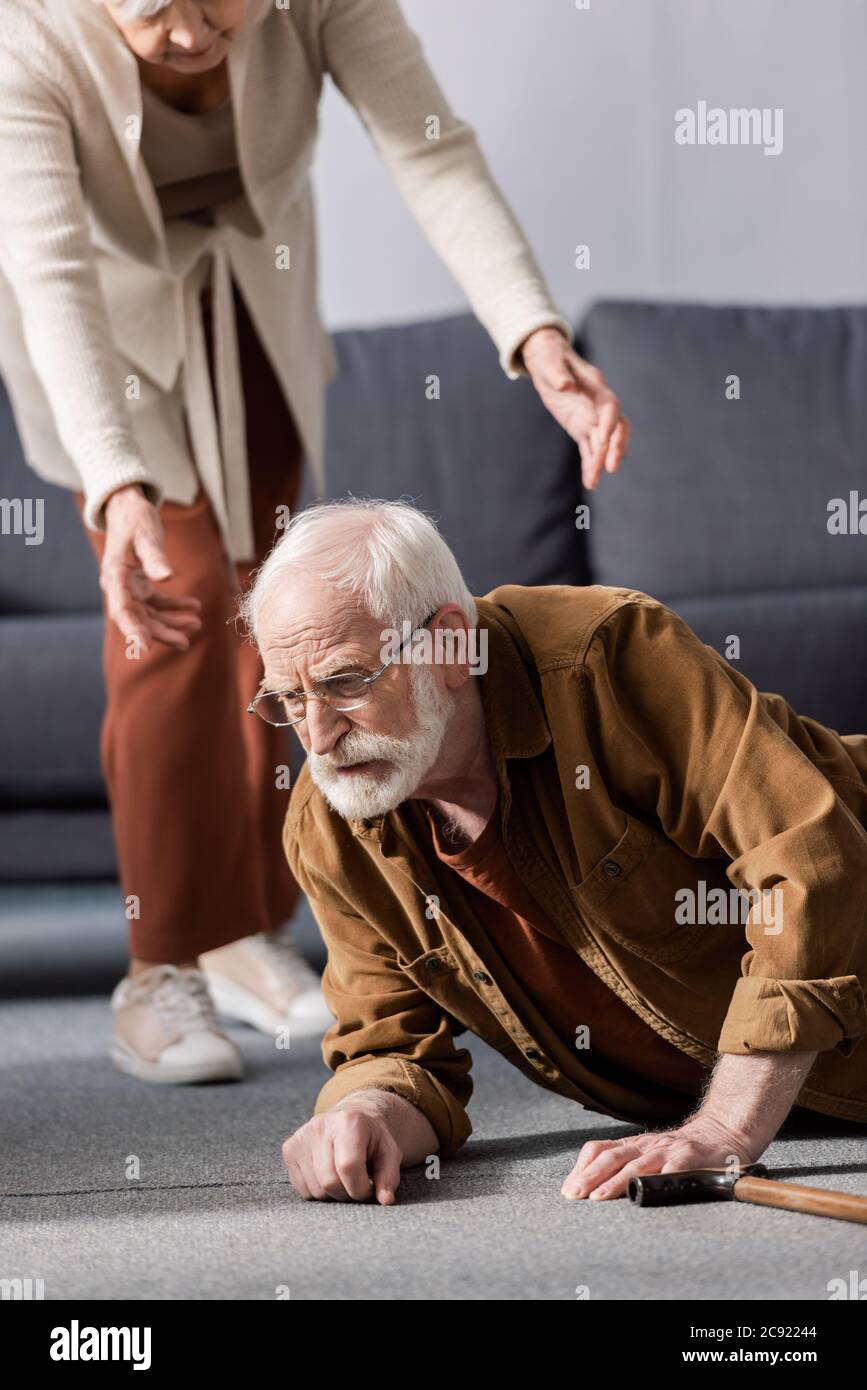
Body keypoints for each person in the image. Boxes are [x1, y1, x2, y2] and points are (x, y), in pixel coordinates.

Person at [0, 0, 630, 1084]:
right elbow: (50, 270)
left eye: (222, 4)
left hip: (254, 308)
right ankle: (157, 970)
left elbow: (430, 152)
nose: (196, 36)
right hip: (107, 345)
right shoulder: (25, 36)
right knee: (174, 606)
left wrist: (534, 333)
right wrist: (118, 484)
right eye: (158, 12)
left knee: (273, 615)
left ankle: (243, 924)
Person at [234, 498, 867, 1203]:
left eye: (344, 681)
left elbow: (807, 863)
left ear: (447, 646)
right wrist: (362, 1112)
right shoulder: (332, 822)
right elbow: (388, 1044)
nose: (317, 737)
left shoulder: (606, 656)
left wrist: (725, 1125)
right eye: (287, 698)